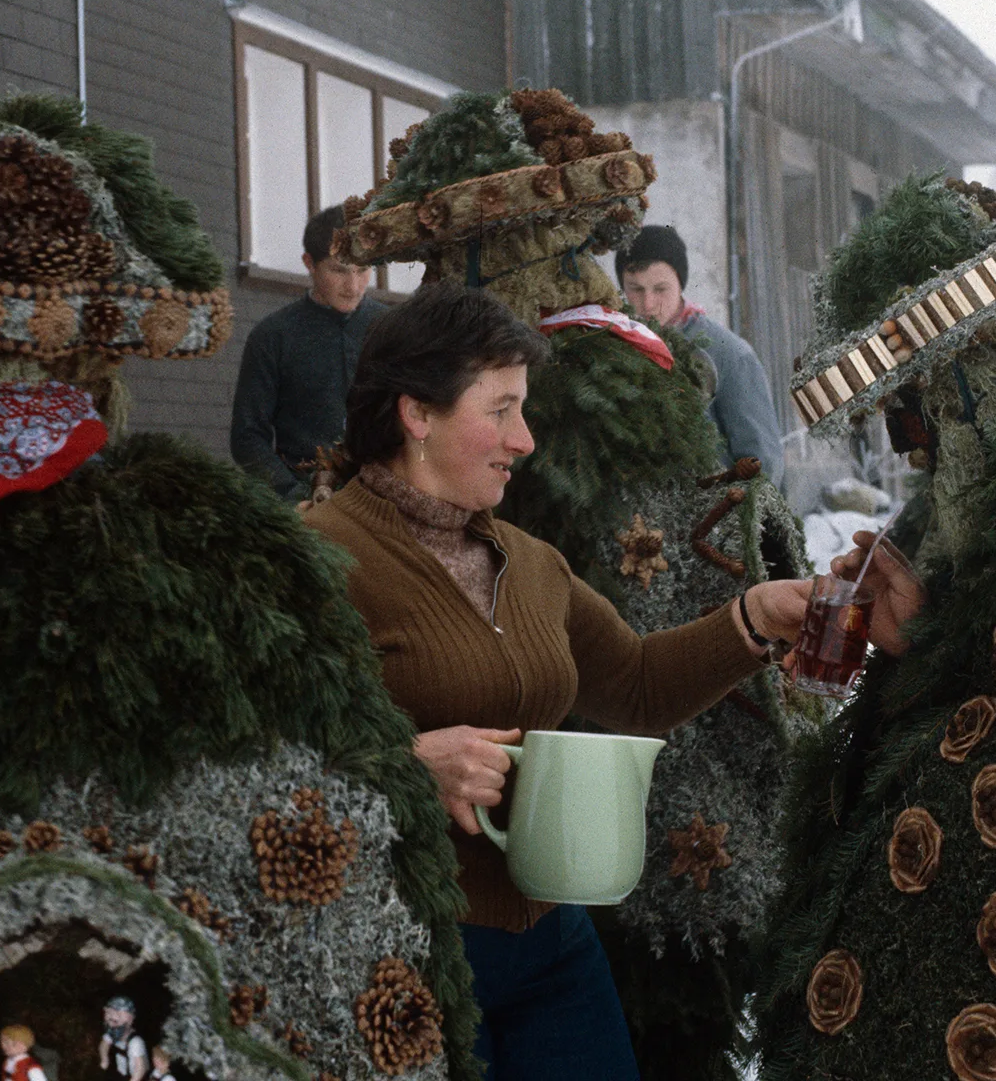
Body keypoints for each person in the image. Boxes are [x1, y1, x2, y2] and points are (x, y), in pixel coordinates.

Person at [304, 284, 814, 1079]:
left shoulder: (530, 562)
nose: (528, 439)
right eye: (502, 410)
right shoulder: (314, 557)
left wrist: (757, 618)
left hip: (552, 946)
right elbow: (249, 751)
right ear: (417, 414)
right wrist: (403, 766)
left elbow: (637, 686)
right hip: (400, 950)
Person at [230, 205, 385, 497]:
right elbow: (247, 438)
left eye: (363, 269)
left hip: (385, 498)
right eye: (338, 270)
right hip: (304, 496)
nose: (353, 286)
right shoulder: (272, 337)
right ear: (309, 263)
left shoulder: (392, 329)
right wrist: (292, 496)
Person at [615, 225, 786, 485]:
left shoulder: (729, 354)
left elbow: (761, 462)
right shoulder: (612, 346)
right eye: (636, 290)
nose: (647, 304)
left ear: (681, 284)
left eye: (660, 289)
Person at [98, 996, 148, 1080]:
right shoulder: (112, 1033)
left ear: (130, 1019)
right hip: (121, 1074)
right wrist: (104, 1059)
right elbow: (104, 1044)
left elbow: (140, 1069)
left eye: (119, 1014)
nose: (112, 1025)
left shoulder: (135, 1042)